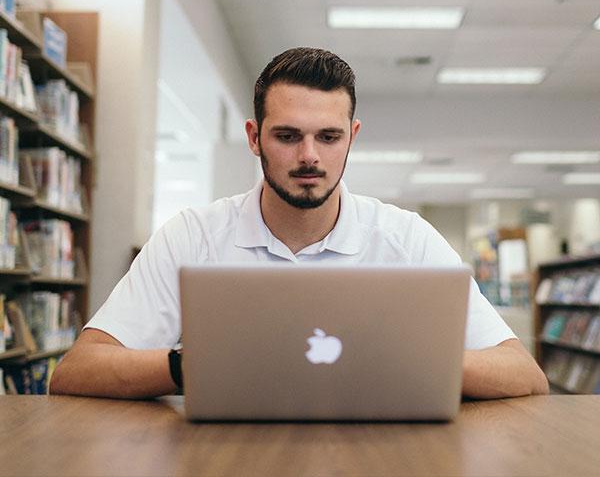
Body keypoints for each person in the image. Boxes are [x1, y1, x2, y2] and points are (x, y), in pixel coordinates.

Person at [49, 47, 549, 400]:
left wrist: (402, 362)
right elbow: (77, 372)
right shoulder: (192, 235)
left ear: (352, 137)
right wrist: (193, 363)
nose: (309, 156)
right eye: (287, 135)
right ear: (253, 136)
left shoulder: (407, 238)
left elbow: (521, 373)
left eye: (328, 136)